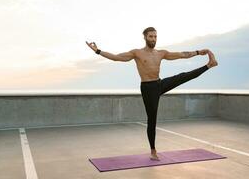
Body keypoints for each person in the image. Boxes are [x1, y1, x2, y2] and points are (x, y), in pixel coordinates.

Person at [86, 27, 218, 161]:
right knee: (152, 119)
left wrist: (197, 52)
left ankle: (209, 65)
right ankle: (153, 150)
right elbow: (116, 58)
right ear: (145, 37)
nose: (153, 39)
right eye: (151, 36)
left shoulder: (161, 53)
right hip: (147, 88)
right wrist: (98, 51)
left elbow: (181, 54)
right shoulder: (136, 53)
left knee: (183, 76)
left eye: (155, 36)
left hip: (159, 84)